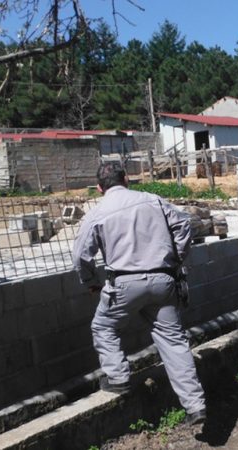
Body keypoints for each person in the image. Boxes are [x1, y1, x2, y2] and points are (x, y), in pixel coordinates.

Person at [71, 161, 207, 426]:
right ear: (127, 180)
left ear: (99, 188)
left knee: (104, 327)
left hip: (123, 285)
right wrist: (175, 259)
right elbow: (184, 225)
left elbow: (80, 255)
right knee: (173, 341)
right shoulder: (153, 200)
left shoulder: (97, 213)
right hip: (163, 280)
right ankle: (195, 405)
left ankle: (118, 378)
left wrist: (90, 280)